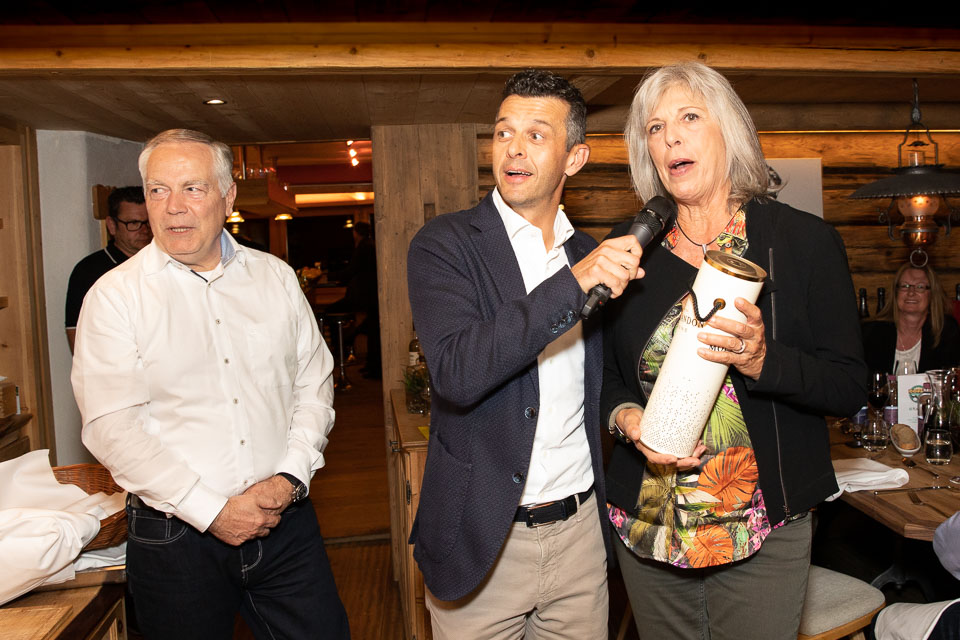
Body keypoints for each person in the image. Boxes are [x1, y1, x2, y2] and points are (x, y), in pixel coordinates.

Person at [602, 61, 866, 640]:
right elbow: (605, 379)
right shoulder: (628, 252)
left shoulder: (802, 243)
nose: (670, 137)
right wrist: (626, 418)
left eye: (689, 118)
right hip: (649, 525)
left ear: (730, 131)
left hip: (761, 529)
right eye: (655, 128)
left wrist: (763, 362)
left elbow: (848, 386)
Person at [71, 129, 349, 640]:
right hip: (175, 540)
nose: (173, 206)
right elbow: (112, 429)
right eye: (158, 190)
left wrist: (288, 478)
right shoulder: (114, 298)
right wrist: (212, 510)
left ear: (228, 196)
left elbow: (312, 384)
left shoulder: (275, 278)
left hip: (284, 524)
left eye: (192, 188)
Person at [406, 70, 643, 638]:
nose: (513, 148)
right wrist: (573, 284)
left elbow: (604, 377)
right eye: (503, 132)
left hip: (580, 537)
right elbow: (457, 372)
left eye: (536, 135)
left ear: (574, 158)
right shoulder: (445, 245)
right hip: (482, 541)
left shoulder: (588, 253)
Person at [64, 186, 151, 352]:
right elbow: (77, 337)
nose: (144, 230)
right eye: (133, 223)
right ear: (111, 225)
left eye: (148, 222)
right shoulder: (88, 271)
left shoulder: (167, 263)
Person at [862, 263, 960, 373]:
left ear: (932, 294)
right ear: (896, 293)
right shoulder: (871, 332)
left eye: (920, 287)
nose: (911, 293)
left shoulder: (946, 331)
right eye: (905, 286)